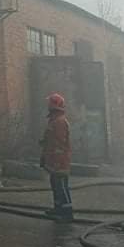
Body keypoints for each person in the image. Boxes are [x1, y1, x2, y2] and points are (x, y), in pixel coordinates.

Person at [41, 93, 73, 222]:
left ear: (54, 105)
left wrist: (55, 159)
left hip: (59, 161)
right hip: (54, 160)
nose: (47, 105)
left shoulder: (59, 122)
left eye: (49, 103)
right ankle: (58, 209)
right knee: (55, 184)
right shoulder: (54, 120)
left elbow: (59, 142)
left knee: (61, 186)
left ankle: (67, 213)